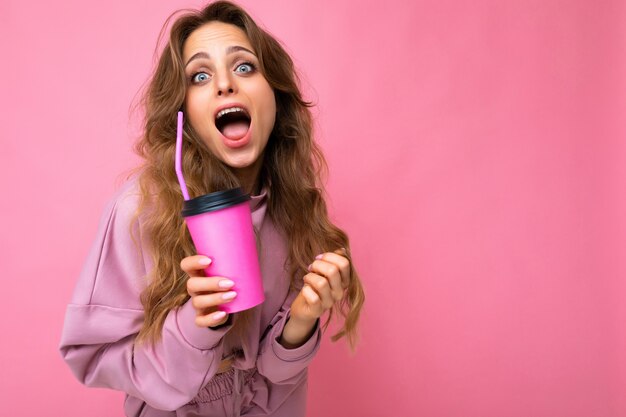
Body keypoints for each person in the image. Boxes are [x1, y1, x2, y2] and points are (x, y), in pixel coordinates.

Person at [58, 1, 365, 416]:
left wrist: (302, 317)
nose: (224, 85)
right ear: (184, 113)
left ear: (276, 96)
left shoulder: (296, 203)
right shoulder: (138, 210)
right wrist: (197, 325)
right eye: (200, 76)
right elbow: (91, 356)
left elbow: (278, 373)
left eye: (244, 67)